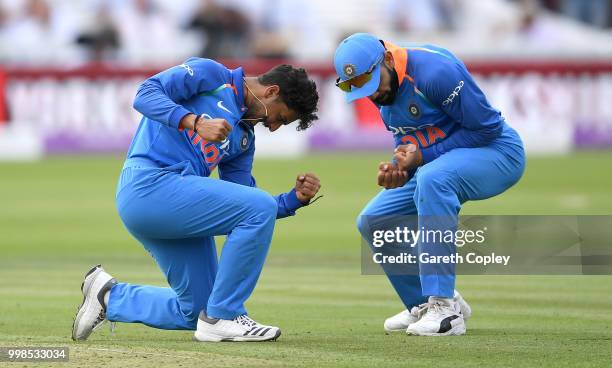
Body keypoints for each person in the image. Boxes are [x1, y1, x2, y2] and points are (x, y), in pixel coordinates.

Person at [71, 57, 321, 342]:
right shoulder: (213, 75)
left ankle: (110, 297)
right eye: (281, 117)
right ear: (271, 92)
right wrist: (196, 122)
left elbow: (245, 206)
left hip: (171, 205)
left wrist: (292, 201)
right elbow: (145, 94)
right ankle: (224, 315)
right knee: (255, 214)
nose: (274, 127)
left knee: (198, 311)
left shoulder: (243, 138)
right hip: (148, 185)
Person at [334, 33, 525, 336]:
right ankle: (422, 304)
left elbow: (487, 130)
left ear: (385, 60)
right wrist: (399, 170)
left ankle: (445, 310)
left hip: (499, 152)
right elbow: (407, 145)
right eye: (356, 87)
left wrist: (423, 156)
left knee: (433, 178)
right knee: (374, 220)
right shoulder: (384, 96)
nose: (370, 94)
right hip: (438, 164)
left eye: (370, 83)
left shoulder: (435, 73)